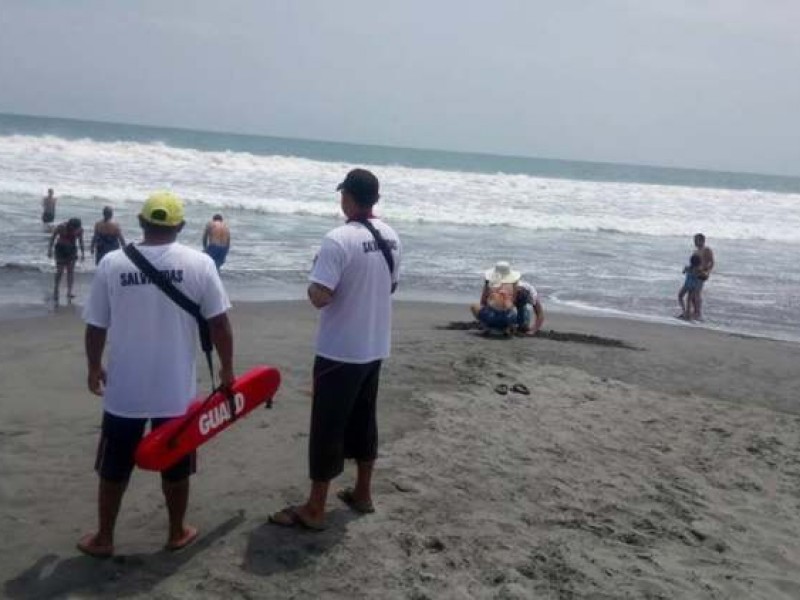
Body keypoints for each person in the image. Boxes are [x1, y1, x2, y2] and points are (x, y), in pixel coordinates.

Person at [78, 191, 234, 558]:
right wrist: (227, 369)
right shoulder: (201, 264)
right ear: (180, 226)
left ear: (141, 222)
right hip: (175, 392)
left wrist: (92, 366)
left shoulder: (112, 264)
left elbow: (96, 326)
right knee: (176, 464)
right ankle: (177, 531)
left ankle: (104, 537)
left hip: (123, 391)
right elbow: (220, 325)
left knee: (114, 466)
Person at [269, 168, 401, 531]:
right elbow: (389, 287)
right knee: (364, 421)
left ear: (346, 197)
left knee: (328, 427)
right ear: (374, 199)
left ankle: (315, 507)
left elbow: (320, 298)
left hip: (340, 350)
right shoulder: (391, 236)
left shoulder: (337, 239)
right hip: (374, 346)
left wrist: (313, 277)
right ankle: (362, 492)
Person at [470, 261, 521, 335]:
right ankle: (507, 328)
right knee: (512, 308)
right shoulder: (514, 283)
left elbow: (483, 300)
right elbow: (514, 300)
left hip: (491, 317)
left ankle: (486, 327)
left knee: (474, 306)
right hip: (509, 317)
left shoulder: (490, 282)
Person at [47, 217, 84, 303]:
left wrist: (83, 253)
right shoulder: (61, 227)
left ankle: (69, 291)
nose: (74, 230)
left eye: (76, 229)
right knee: (59, 271)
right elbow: (53, 238)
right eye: (73, 228)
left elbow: (81, 241)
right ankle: (56, 289)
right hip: (60, 250)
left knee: (70, 271)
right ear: (70, 225)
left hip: (71, 251)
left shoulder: (79, 230)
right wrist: (49, 250)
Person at [691, 233, 715, 320]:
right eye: (694, 240)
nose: (695, 242)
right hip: (694, 273)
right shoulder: (695, 251)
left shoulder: (707, 250)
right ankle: (695, 311)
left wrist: (707, 271)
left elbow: (711, 262)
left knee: (697, 293)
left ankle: (698, 313)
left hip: (702, 273)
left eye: (696, 240)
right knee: (692, 294)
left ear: (702, 241)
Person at [677, 254, 702, 320]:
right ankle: (688, 314)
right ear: (699, 263)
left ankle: (684, 311)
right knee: (688, 300)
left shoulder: (688, 268)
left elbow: (683, 272)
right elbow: (701, 278)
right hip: (693, 286)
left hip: (687, 285)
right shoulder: (699, 270)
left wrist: (686, 270)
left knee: (680, 296)